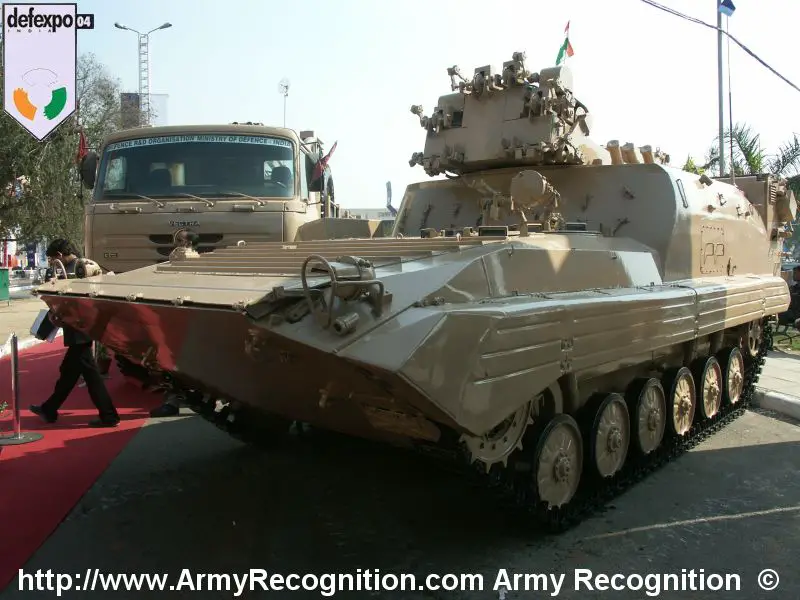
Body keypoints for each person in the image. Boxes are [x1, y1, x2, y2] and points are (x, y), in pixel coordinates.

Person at [29, 239, 121, 427]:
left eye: (53, 258)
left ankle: (109, 416)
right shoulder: (80, 265)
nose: (53, 262)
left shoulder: (80, 267)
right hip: (80, 327)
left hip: (80, 328)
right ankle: (49, 409)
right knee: (69, 372)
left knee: (90, 376)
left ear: (59, 254)